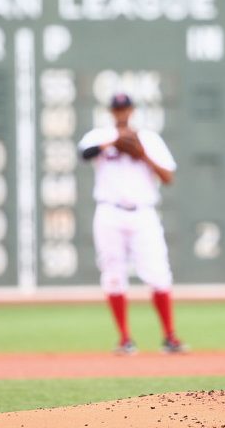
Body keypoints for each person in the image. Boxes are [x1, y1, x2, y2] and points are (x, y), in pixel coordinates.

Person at [78, 92, 187, 355]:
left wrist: (141, 154)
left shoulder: (149, 139)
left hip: (143, 214)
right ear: (111, 112)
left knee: (159, 273)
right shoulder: (100, 135)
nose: (121, 112)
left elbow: (168, 176)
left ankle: (170, 337)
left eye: (125, 107)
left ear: (132, 109)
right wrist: (113, 142)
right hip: (109, 212)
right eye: (117, 109)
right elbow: (84, 153)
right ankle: (125, 338)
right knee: (113, 274)